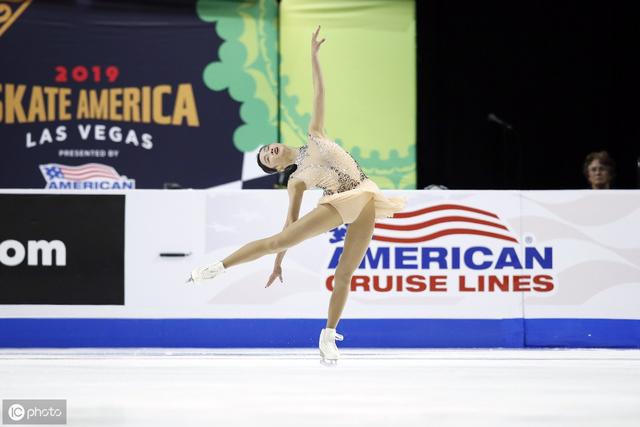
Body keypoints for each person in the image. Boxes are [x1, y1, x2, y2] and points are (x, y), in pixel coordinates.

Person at [186, 26, 407, 363]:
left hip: (366, 199)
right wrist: (279, 259)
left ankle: (329, 335)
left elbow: (320, 92)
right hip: (337, 203)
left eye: (267, 149)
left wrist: (313, 56)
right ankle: (218, 266)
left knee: (345, 274)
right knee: (277, 240)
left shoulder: (315, 134)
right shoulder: (296, 181)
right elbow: (289, 224)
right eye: (266, 158)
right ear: (276, 168)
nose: (269, 151)